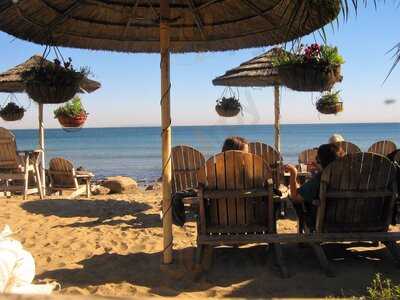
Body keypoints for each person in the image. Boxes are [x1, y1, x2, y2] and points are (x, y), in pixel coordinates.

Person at [284, 143, 341, 230]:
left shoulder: (320, 179)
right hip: (349, 219)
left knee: (297, 202)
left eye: (318, 158)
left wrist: (293, 173)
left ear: (320, 160)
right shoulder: (347, 176)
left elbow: (295, 197)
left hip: (321, 220)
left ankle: (304, 231)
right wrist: (319, 168)